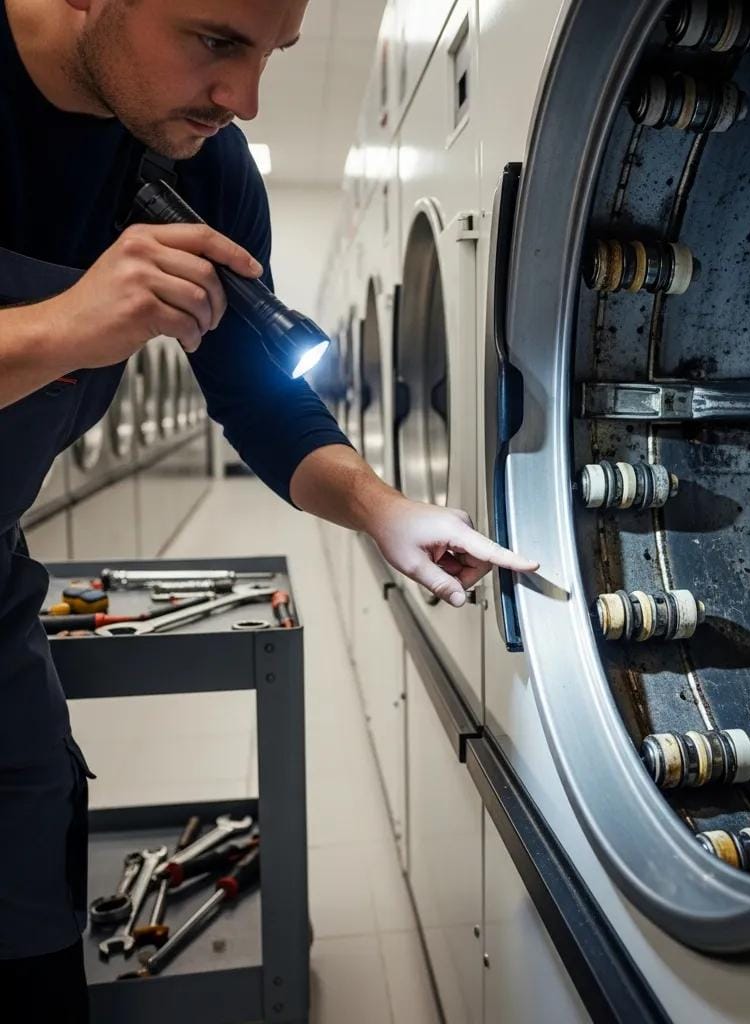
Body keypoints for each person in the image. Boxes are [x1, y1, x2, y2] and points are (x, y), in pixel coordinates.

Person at [0, 0, 537, 1017]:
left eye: (273, 55)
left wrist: (382, 508)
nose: (242, 99)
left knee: (31, 918)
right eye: (216, 42)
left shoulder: (199, 169)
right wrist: (62, 329)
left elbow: (262, 400)